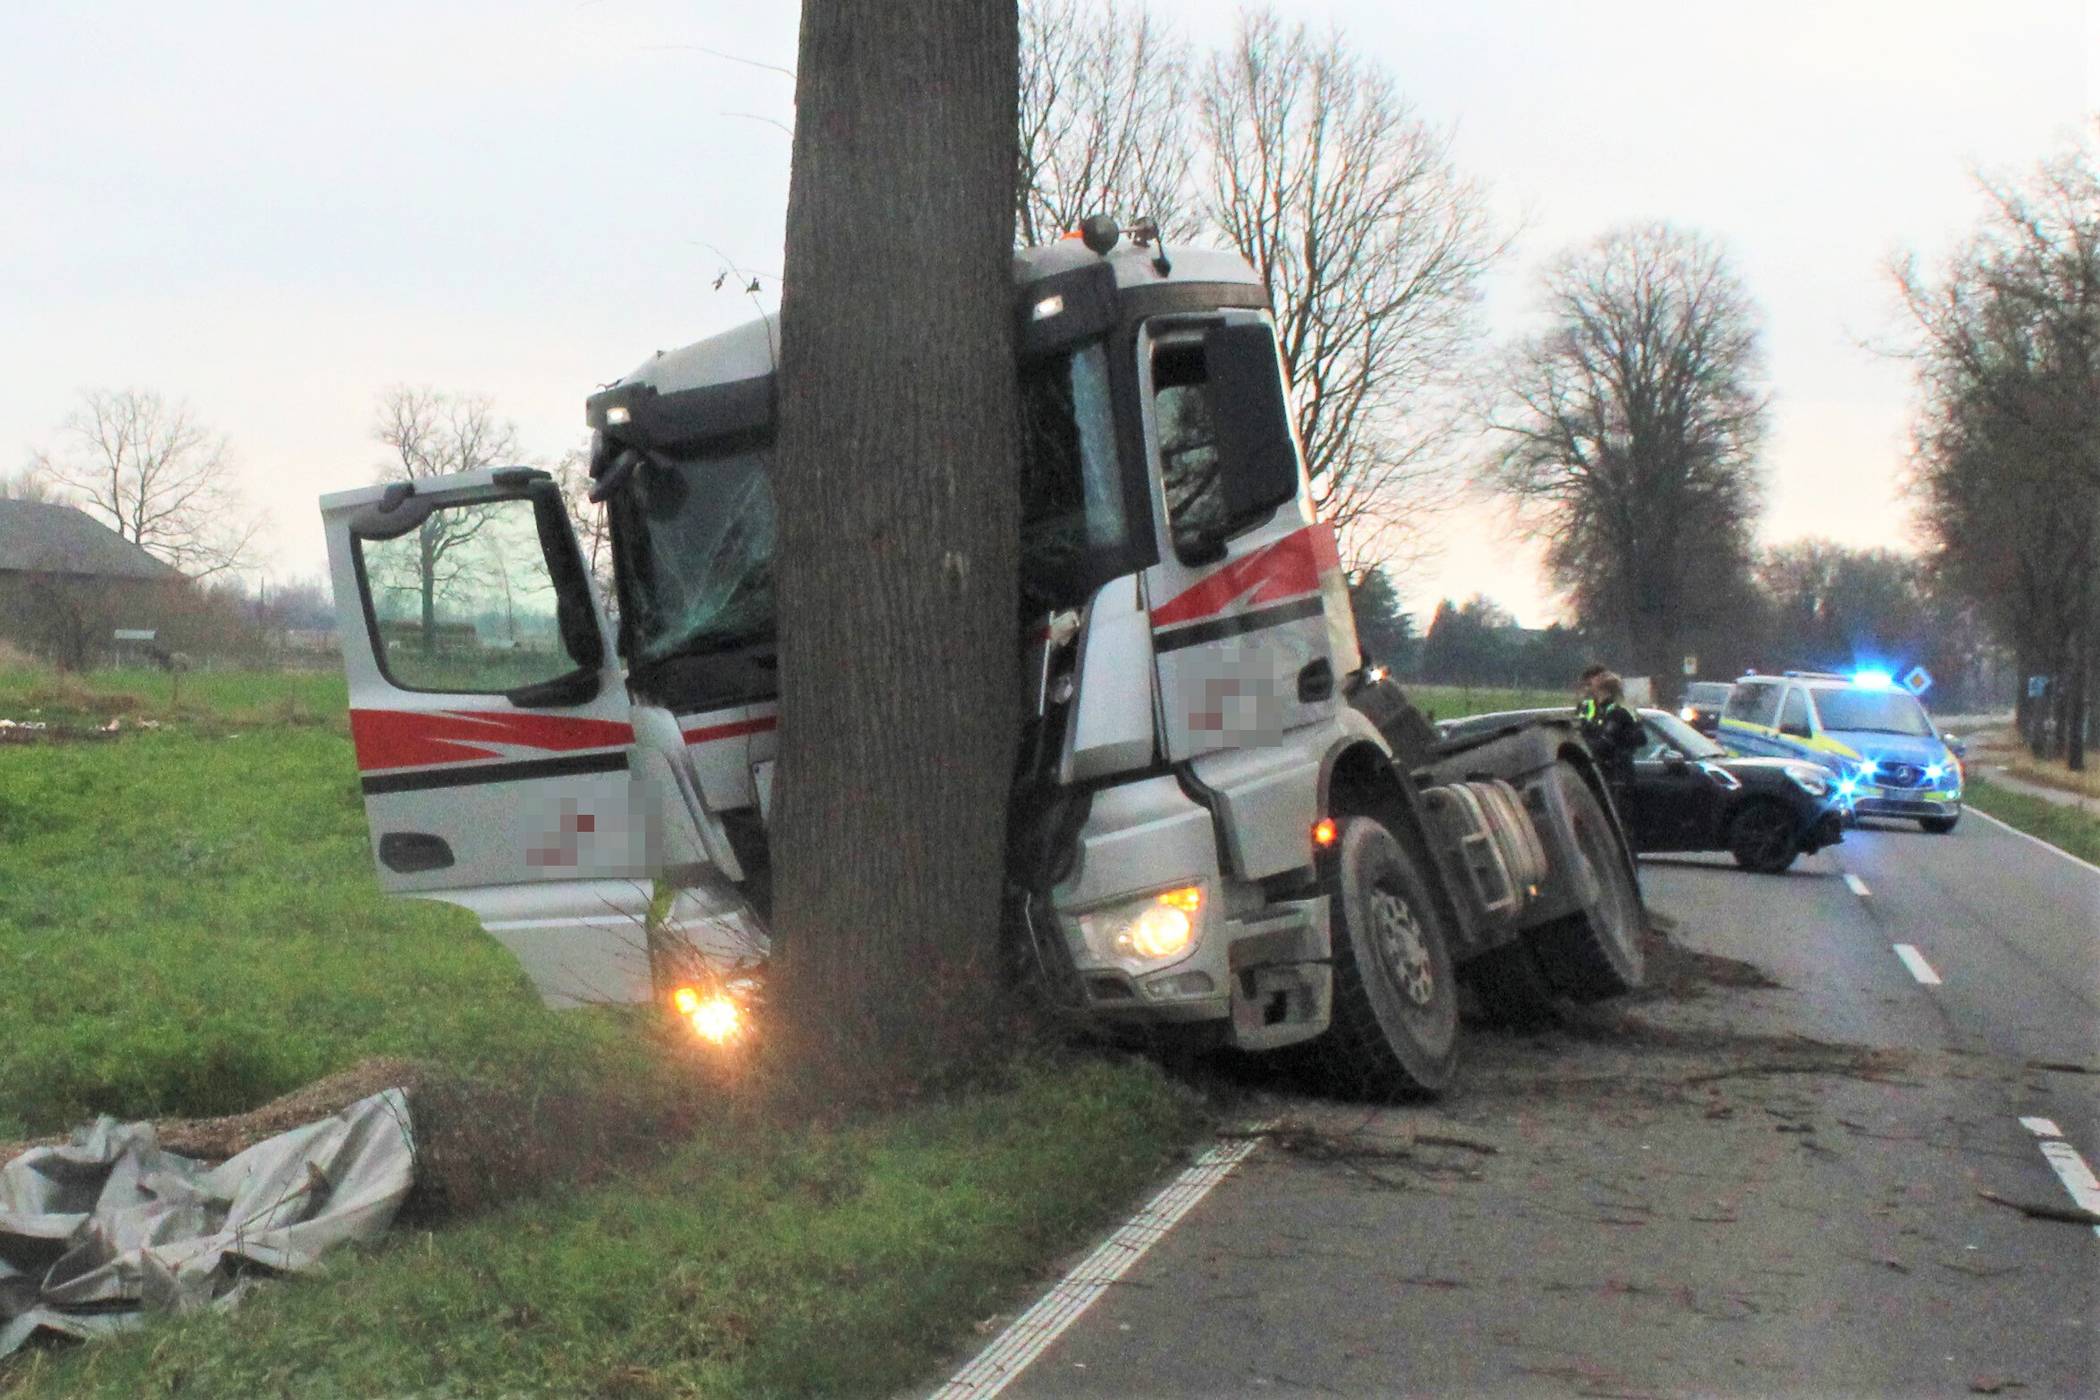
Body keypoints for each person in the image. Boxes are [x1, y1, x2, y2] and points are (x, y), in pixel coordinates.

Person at [1576, 667, 1643, 787]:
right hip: (1596, 772)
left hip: (1616, 775)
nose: (1586, 689)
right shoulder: (1586, 706)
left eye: (1589, 684)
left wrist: (1619, 739)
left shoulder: (1618, 710)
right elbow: (1580, 731)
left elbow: (1639, 738)